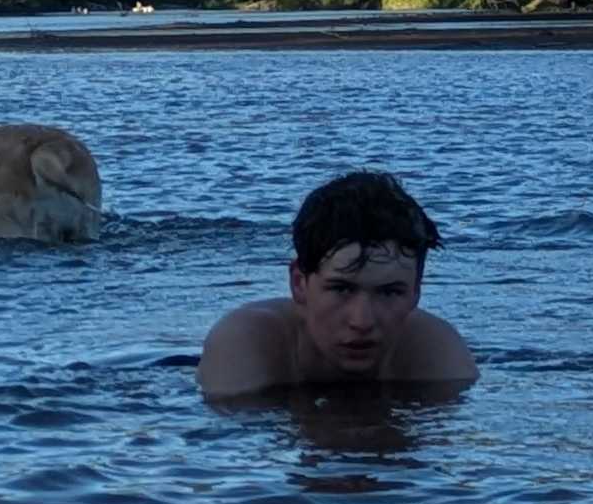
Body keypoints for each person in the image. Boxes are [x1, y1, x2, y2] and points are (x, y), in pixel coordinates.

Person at [198, 167, 480, 396]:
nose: (362, 321)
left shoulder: (438, 353)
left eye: (390, 292)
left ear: (416, 292)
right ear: (299, 284)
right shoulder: (245, 344)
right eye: (341, 288)